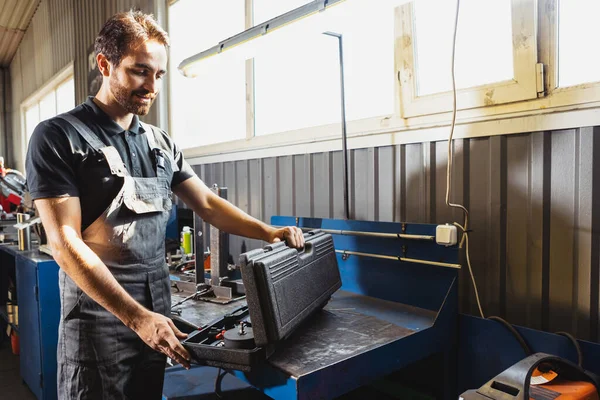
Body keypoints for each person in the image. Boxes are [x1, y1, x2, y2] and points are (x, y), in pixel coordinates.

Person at [25, 10, 304, 400]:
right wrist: (137, 318)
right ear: (105, 64)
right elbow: (65, 244)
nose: (151, 86)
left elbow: (207, 203)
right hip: (97, 320)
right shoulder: (58, 137)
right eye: (140, 71)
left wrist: (268, 231)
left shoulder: (160, 143)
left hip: (159, 310)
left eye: (158, 75)